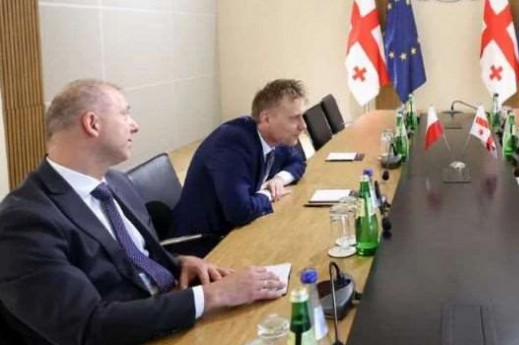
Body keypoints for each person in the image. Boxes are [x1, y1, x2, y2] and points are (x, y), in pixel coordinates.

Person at [0, 80, 285, 344]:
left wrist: (177, 264)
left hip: (166, 313)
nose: (134, 126)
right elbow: (87, 326)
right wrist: (212, 295)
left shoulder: (117, 182)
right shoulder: (23, 221)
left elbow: (129, 258)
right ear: (92, 124)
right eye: (125, 114)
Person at [170, 79, 307, 237]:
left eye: (302, 116)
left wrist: (279, 179)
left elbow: (298, 161)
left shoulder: (276, 138)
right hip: (205, 241)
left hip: (237, 230)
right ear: (266, 119)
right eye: (294, 118)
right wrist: (268, 194)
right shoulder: (232, 144)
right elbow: (240, 211)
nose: (303, 126)